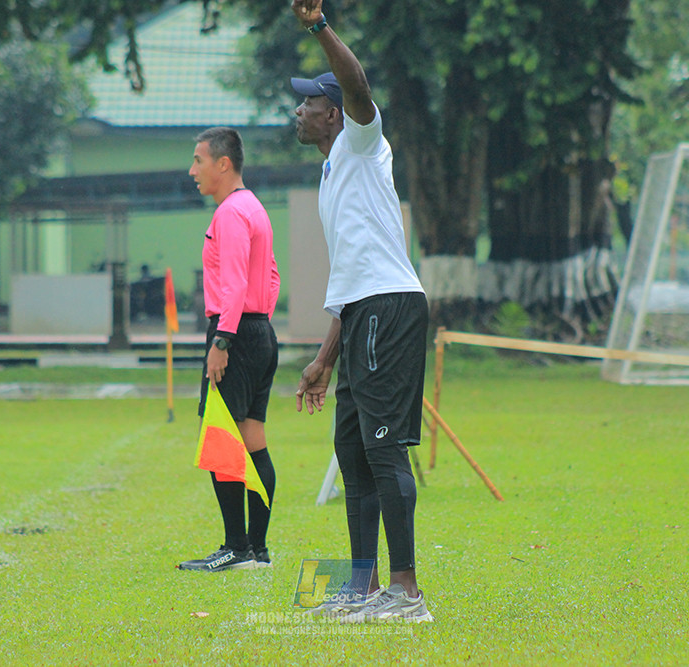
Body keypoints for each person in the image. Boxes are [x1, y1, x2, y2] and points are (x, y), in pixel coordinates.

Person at [290, 0, 433, 623]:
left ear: (331, 113)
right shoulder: (330, 172)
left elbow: (358, 84)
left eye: (306, 102)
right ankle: (361, 586)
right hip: (362, 312)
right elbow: (349, 284)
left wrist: (319, 27)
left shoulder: (362, 141)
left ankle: (407, 593)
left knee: (383, 449)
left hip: (390, 309)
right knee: (351, 449)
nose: (298, 110)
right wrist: (324, 359)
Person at [178, 127, 281, 572]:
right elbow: (271, 278)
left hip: (234, 335)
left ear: (223, 164)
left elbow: (235, 282)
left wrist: (223, 340)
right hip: (259, 332)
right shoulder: (254, 207)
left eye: (199, 160)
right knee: (252, 436)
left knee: (222, 437)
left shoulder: (230, 213)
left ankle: (237, 548)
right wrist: (254, 328)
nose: (192, 169)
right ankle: (255, 550)